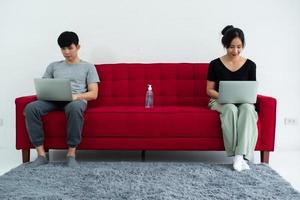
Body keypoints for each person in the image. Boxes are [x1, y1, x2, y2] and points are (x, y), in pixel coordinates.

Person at [24, 31, 100, 167]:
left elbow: (94, 94)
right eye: (63, 49)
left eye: (70, 48)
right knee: (31, 108)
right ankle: (41, 155)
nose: (66, 52)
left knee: (75, 107)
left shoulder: (88, 67)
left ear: (78, 47)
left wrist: (76, 96)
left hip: (75, 100)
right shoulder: (53, 66)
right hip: (53, 100)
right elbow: (44, 86)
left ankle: (71, 154)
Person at [207, 25, 257, 172]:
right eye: (231, 47)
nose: (235, 51)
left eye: (239, 47)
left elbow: (251, 90)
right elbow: (209, 90)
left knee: (248, 109)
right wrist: (225, 96)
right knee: (230, 108)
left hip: (243, 102)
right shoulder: (215, 64)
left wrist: (243, 99)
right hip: (220, 101)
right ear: (225, 45)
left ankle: (239, 156)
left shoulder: (250, 65)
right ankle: (237, 155)